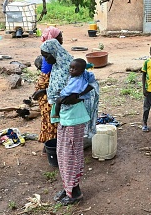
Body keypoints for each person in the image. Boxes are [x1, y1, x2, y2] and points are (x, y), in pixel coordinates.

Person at [41, 39, 99, 205]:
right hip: (65, 117)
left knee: (71, 154)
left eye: (46, 56)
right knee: (62, 153)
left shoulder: (71, 65)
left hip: (74, 117)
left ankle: (75, 192)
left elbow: (92, 83)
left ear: (54, 52)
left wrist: (76, 97)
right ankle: (69, 187)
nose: (46, 59)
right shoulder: (61, 66)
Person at [32, 26, 63, 145]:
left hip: (45, 93)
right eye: (60, 36)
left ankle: (50, 146)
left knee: (49, 120)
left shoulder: (52, 53)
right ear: (54, 38)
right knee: (52, 121)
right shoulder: (51, 55)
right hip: (48, 95)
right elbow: (52, 80)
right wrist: (43, 91)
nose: (62, 38)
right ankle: (52, 146)